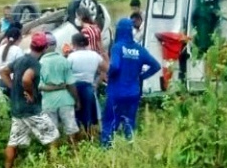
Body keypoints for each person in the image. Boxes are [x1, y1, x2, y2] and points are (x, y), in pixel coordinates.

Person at [0, 32, 60, 168]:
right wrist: (30, 93)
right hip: (31, 110)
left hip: (17, 109)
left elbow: (3, 71)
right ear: (45, 48)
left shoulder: (20, 60)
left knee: (13, 142)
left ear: (31, 45)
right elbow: (27, 79)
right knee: (53, 136)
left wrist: (13, 88)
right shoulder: (35, 64)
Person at [101, 18, 161, 148]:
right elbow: (156, 65)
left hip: (117, 92)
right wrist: (141, 77)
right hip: (133, 92)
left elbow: (115, 67)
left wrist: (109, 75)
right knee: (129, 122)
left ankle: (107, 149)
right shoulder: (139, 49)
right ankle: (130, 148)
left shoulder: (117, 47)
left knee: (110, 122)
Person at [39, 32, 81, 147]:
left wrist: (53, 87)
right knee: (71, 130)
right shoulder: (64, 61)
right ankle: (75, 156)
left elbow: (40, 86)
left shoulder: (40, 63)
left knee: (52, 134)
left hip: (48, 102)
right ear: (55, 45)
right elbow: (71, 84)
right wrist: (77, 100)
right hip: (65, 101)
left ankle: (54, 159)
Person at [68, 33, 108, 139]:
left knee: (75, 115)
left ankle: (75, 139)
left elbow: (66, 73)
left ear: (74, 43)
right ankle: (89, 137)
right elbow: (106, 69)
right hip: (88, 88)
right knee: (88, 116)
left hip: (73, 88)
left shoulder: (72, 56)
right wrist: (96, 83)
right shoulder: (94, 55)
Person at [0, 27, 24, 97]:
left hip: (2, 81)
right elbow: (21, 68)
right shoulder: (17, 50)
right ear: (19, 38)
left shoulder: (1, 48)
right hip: (12, 82)